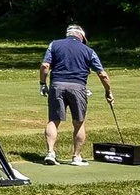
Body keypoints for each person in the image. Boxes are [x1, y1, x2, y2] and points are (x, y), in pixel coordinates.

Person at [40, 25, 113, 165]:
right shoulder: (88, 50)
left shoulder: (54, 44)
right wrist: (108, 91)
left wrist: (42, 83)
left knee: (53, 120)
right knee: (79, 123)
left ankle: (50, 153)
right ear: (81, 37)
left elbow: (45, 66)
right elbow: (102, 74)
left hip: (57, 85)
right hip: (78, 87)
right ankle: (76, 157)